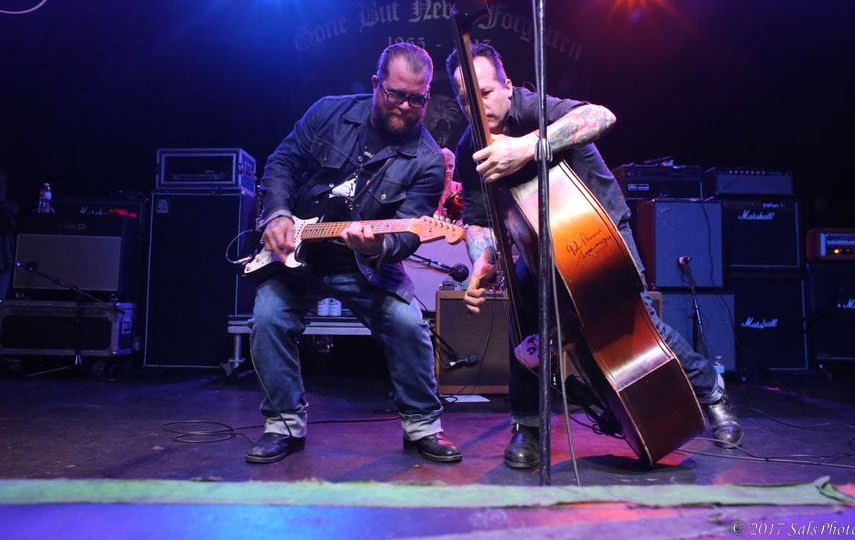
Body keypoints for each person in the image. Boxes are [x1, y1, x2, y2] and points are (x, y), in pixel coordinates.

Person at [446, 44, 743, 470]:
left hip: (597, 226)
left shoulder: (532, 109)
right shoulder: (468, 148)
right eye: (465, 99)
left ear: (508, 87)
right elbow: (478, 222)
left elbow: (600, 116)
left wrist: (530, 146)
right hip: (537, 246)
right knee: (524, 326)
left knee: (635, 325)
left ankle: (710, 390)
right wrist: (481, 261)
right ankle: (527, 425)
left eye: (486, 93)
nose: (477, 107)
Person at [246, 43, 462, 465]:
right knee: (267, 318)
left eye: (417, 99)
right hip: (298, 254)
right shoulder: (328, 112)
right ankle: (284, 423)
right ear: (377, 83)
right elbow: (282, 163)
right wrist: (278, 214)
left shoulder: (428, 160)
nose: (405, 107)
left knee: (408, 324)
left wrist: (379, 245)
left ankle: (422, 425)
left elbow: (410, 232)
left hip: (365, 264)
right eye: (395, 94)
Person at [0, 167, 19, 300]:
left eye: (2, 182)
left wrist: (2, 203)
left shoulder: (12, 206)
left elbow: (13, 226)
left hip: (5, 261)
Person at [435, 147, 463, 220]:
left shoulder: (461, 189)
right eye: (445, 167)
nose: (448, 171)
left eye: (451, 167)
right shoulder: (426, 189)